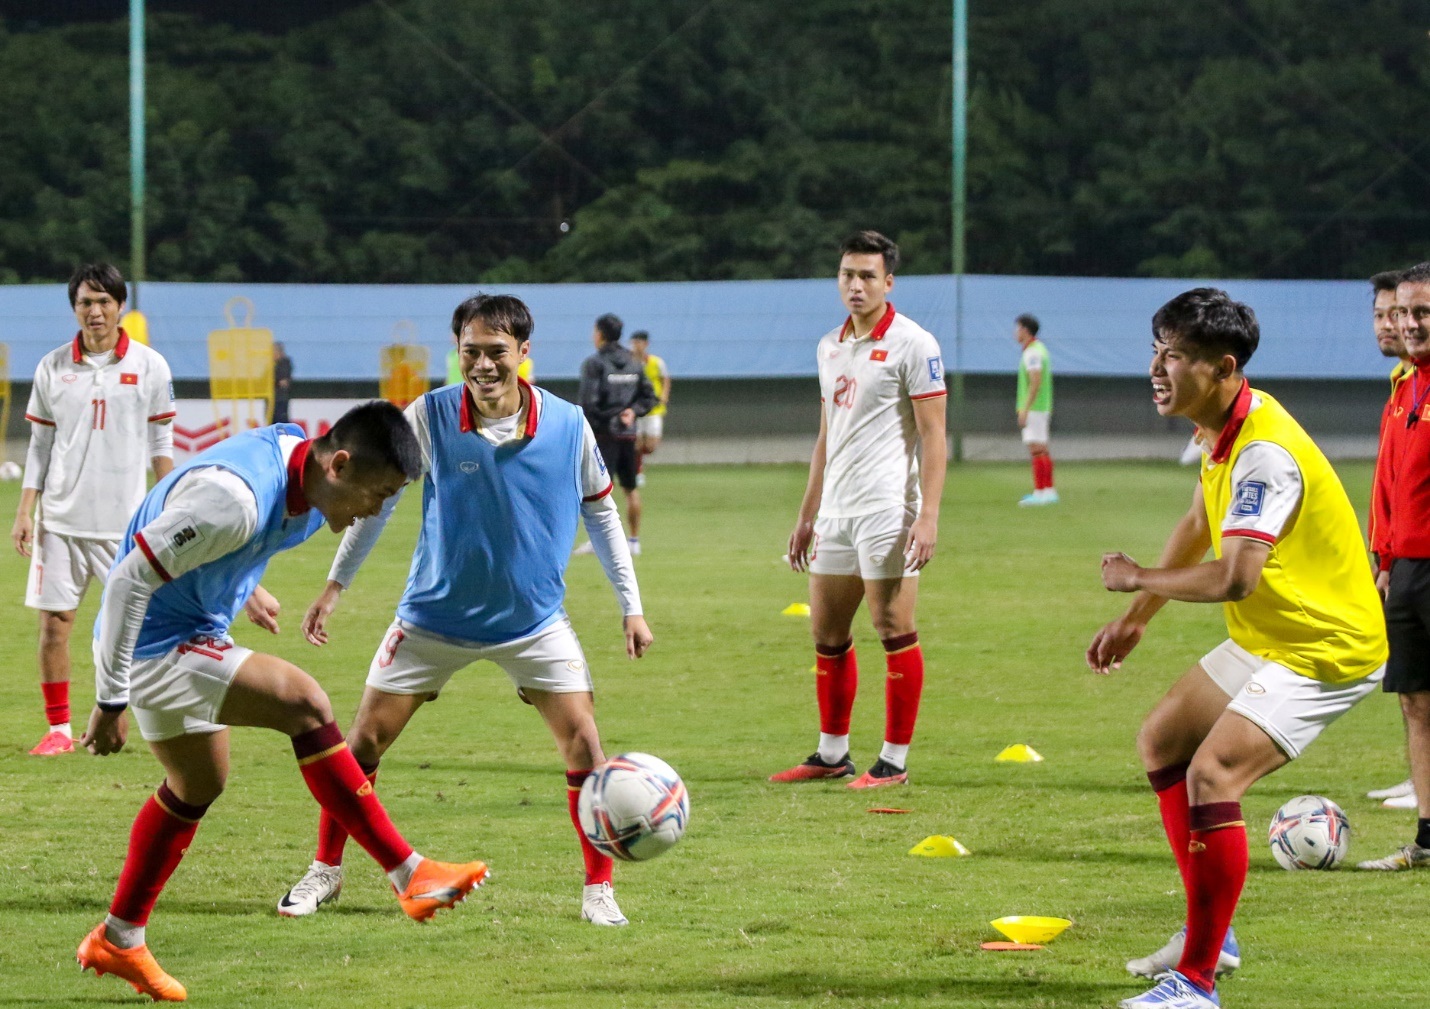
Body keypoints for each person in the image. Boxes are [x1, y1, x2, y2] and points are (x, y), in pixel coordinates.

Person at [75, 402, 489, 1002]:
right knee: (305, 702)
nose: (375, 510)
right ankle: (409, 873)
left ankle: (119, 937)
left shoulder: (302, 467)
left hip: (189, 625)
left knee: (198, 784)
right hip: (151, 645)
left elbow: (201, 528)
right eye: (378, 494)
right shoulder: (234, 502)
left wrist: (244, 585)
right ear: (340, 464)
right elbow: (128, 578)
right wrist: (110, 699)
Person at [275, 294, 652, 927]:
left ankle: (598, 890)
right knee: (361, 741)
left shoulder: (567, 424)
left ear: (523, 353)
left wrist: (631, 607)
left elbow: (602, 511)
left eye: (496, 352)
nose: (482, 365)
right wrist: (335, 584)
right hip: (432, 618)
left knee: (585, 742)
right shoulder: (428, 416)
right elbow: (379, 500)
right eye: (470, 351)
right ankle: (326, 870)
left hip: (532, 622)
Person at [1087, 288, 1387, 1008]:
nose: (1158, 368)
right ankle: (1210, 939)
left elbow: (1235, 576)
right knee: (1163, 738)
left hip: (1325, 648)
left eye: (1177, 357)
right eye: (1157, 350)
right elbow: (1200, 517)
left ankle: (1194, 983)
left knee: (1213, 774)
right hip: (1276, 634)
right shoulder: (1220, 424)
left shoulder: (1264, 455)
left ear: (1223, 367)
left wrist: (1138, 575)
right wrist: (1140, 615)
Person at [775, 230, 947, 789]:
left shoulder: (915, 344)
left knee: (892, 626)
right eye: (847, 274)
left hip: (888, 509)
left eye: (867, 275)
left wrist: (928, 516)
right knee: (826, 632)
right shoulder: (829, 345)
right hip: (836, 512)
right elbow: (827, 435)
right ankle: (832, 754)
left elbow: (935, 437)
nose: (855, 284)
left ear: (888, 282)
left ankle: (893, 761)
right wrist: (807, 514)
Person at [11, 263, 176, 756]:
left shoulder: (151, 366)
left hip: (124, 525)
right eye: (86, 302)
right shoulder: (52, 367)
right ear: (74, 309)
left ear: (120, 306)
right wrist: (25, 512)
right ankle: (59, 729)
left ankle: (135, 715)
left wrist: (169, 506)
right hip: (60, 521)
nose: (95, 310)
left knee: (146, 624)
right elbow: (39, 447)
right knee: (54, 624)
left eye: (104, 301)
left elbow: (160, 440)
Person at [1359, 261, 1430, 870]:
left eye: (1421, 312)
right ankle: (1428, 838)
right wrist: (1383, 558)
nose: (1408, 324)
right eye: (1402, 313)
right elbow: (1392, 484)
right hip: (1406, 569)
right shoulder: (1405, 387)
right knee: (1415, 699)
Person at [1365, 269, 1418, 811]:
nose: (1388, 326)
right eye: (1381, 315)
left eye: (1396, 314)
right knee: (1412, 686)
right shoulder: (1403, 385)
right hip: (1399, 558)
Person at [576, 313, 655, 555]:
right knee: (631, 488)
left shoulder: (594, 363)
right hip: (628, 436)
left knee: (597, 492)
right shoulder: (635, 363)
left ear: (599, 334)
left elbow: (589, 405)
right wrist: (632, 411)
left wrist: (604, 420)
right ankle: (633, 541)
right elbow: (650, 397)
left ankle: (599, 542)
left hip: (603, 437)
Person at [1015, 314, 1057, 505]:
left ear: (1025, 329)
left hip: (1036, 407)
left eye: (1017, 328)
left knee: (1036, 449)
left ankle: (1041, 492)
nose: (1015, 332)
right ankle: (1048, 490)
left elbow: (1035, 380)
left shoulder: (1033, 352)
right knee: (1042, 449)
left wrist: (1025, 408)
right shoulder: (1039, 349)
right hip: (1042, 406)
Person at [630, 330, 670, 486]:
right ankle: (637, 472)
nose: (636, 346)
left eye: (639, 342)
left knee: (651, 446)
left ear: (646, 344)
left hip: (654, 409)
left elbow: (665, 379)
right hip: (636, 408)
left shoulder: (656, 362)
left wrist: (664, 395)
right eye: (634, 342)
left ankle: (639, 461)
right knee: (636, 443)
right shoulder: (629, 362)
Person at [272, 342, 293, 423]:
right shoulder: (271, 364)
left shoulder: (285, 363)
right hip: (273, 399)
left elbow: (283, 381)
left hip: (280, 398)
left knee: (281, 420)